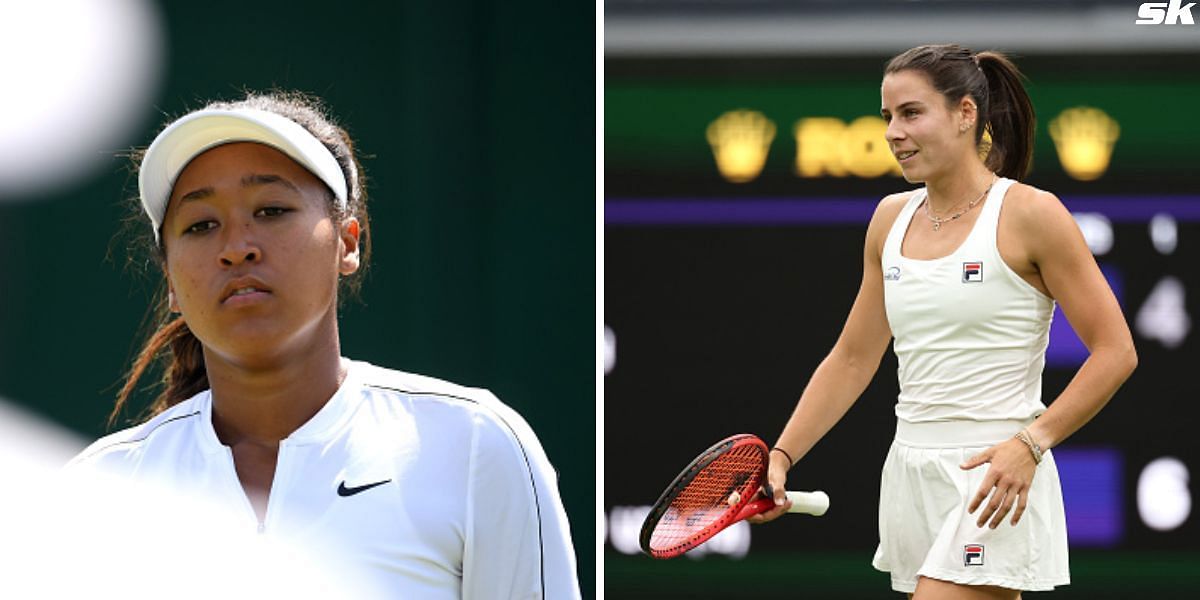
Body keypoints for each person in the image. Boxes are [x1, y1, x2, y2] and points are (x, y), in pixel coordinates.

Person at [67, 91, 581, 600]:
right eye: (201, 225)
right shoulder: (99, 492)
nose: (237, 247)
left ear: (347, 242)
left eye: (270, 210)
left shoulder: (476, 444)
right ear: (172, 283)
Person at [751, 44, 1137, 599]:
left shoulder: (1032, 214)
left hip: (995, 477)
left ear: (965, 114)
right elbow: (854, 357)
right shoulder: (888, 220)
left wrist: (1031, 443)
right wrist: (781, 456)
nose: (892, 132)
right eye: (887, 117)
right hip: (910, 476)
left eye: (911, 113)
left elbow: (1115, 350)